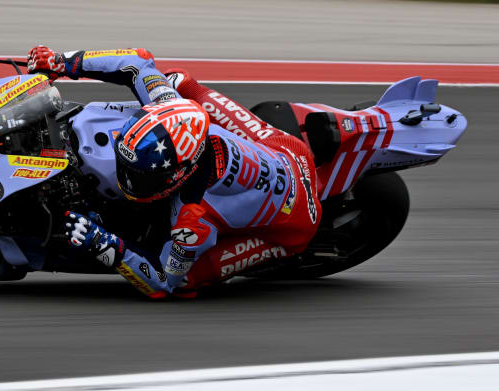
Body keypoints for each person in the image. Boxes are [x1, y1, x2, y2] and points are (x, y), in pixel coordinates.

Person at [27, 46, 322, 298]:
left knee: (185, 284)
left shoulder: (191, 222)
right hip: (284, 149)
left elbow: (162, 281)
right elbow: (135, 61)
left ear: (177, 176)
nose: (127, 179)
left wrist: (106, 245)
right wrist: (63, 62)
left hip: (295, 223)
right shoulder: (167, 100)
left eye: (140, 177)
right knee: (178, 80)